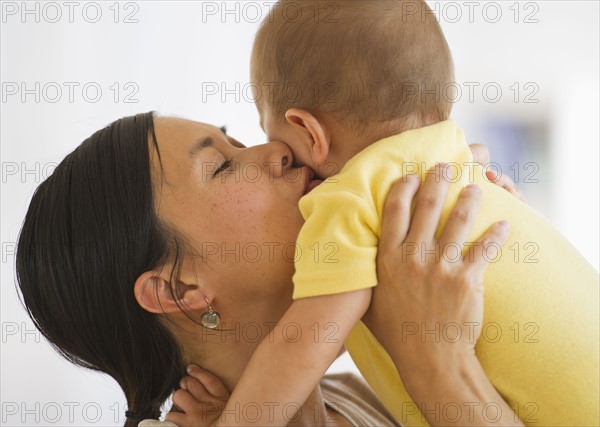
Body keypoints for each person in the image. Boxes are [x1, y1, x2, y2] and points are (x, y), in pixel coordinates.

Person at [168, 1, 600, 426]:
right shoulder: (451, 159)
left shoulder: (349, 198)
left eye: (267, 135)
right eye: (224, 166)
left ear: (308, 132)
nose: (276, 156)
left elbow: (303, 344)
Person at [16, 112, 519, 427]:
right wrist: (441, 366)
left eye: (234, 141)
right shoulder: (420, 362)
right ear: (180, 288)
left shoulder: (360, 392)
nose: (276, 149)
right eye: (223, 166)